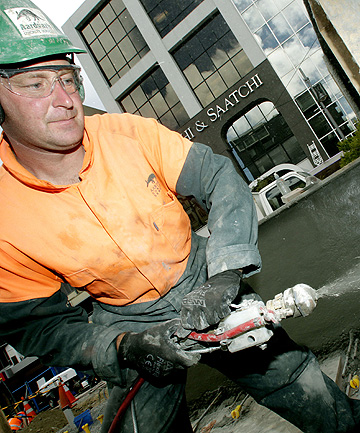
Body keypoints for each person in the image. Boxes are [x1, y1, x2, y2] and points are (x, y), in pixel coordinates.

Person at [0, 1, 359, 432]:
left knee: (298, 384)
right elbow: (43, 327)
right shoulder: (6, 218)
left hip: (201, 277)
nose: (64, 99)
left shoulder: (129, 134)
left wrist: (224, 273)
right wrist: (121, 349)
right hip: (126, 321)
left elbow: (220, 178)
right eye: (35, 83)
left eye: (66, 78)